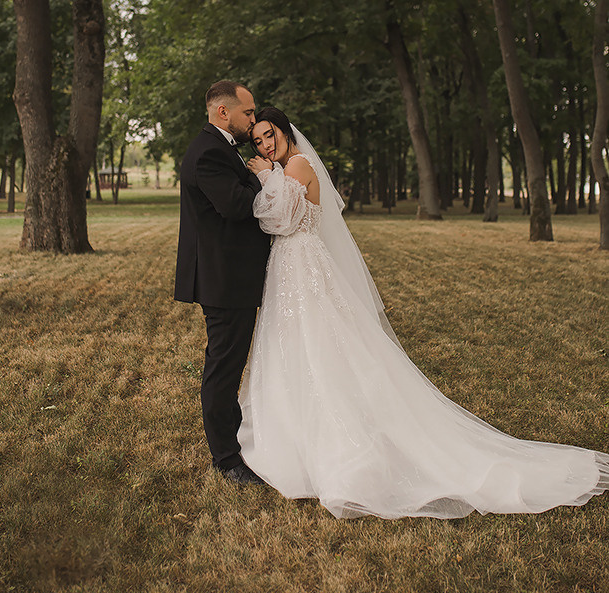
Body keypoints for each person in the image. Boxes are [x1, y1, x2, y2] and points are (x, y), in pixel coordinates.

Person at [240, 106, 609, 519]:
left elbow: (279, 220)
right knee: (294, 341)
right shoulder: (287, 167)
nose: (265, 144)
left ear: (284, 131)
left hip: (302, 261)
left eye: (269, 135)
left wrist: (264, 177)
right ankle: (293, 427)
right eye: (257, 141)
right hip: (291, 267)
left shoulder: (297, 165)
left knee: (322, 342)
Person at [174, 81, 271, 485]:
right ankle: (226, 458)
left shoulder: (219, 148)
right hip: (223, 278)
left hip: (230, 275)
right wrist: (260, 178)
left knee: (229, 361)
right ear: (223, 112)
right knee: (223, 366)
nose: (253, 119)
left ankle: (234, 441)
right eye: (248, 113)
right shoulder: (209, 152)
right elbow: (235, 205)